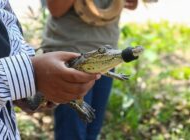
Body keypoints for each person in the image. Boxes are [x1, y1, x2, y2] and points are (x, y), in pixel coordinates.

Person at [0, 1, 100, 139]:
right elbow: (56, 9)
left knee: (92, 130)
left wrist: (24, 83)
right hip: (70, 48)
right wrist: (29, 74)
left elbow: (4, 21)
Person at [42, 0, 138, 140]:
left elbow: (131, 4)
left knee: (93, 130)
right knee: (71, 134)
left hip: (107, 56)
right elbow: (56, 9)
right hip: (70, 57)